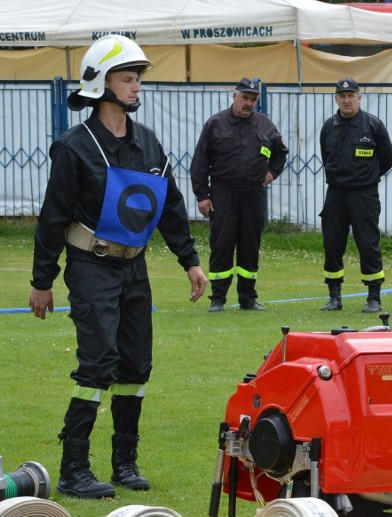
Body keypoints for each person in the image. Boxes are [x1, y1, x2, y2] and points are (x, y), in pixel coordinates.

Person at [28, 35, 208, 499]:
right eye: (127, 79)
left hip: (135, 269)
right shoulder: (74, 147)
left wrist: (190, 262)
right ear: (99, 85)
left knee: (135, 366)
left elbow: (170, 206)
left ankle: (124, 463)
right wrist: (41, 282)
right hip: (90, 266)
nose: (136, 88)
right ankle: (73, 470)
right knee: (98, 363)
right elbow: (52, 218)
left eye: (137, 79)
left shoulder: (149, 144)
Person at [190, 77, 288, 313]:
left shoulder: (265, 126)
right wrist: (202, 195)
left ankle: (248, 298)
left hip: (254, 194)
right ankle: (218, 299)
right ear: (234, 96)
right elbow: (200, 163)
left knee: (250, 246)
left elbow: (280, 152)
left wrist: (273, 172)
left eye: (253, 99)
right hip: (223, 192)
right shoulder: (216, 124)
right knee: (222, 244)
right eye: (245, 97)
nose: (249, 103)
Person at [318, 77, 392, 313]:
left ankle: (373, 298)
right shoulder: (329, 126)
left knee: (368, 243)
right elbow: (325, 157)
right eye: (342, 96)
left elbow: (388, 159)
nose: (347, 100)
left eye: (351, 95)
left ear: (359, 98)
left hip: (364, 195)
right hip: (336, 194)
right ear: (336, 99)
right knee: (332, 244)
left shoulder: (373, 125)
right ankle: (334, 296)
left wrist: (367, 177)